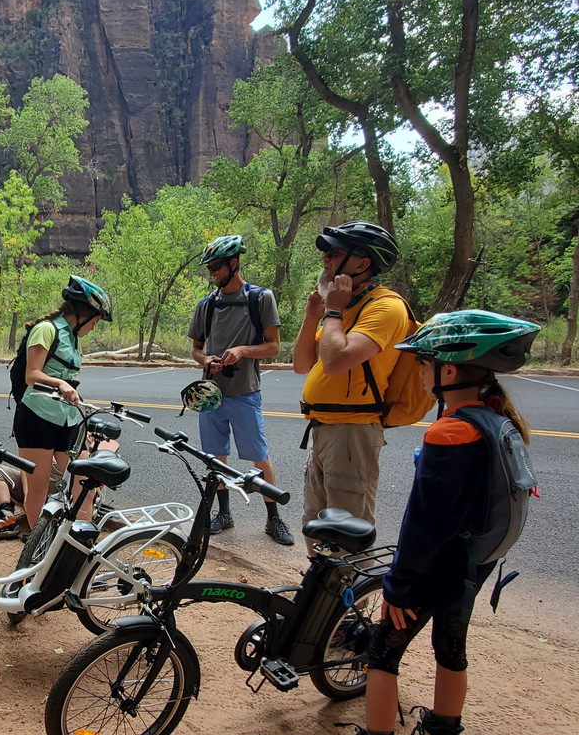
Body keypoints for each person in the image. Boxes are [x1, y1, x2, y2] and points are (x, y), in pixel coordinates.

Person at [355, 310, 541, 735]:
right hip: (474, 563)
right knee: (450, 647)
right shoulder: (496, 420)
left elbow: (425, 525)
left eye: (424, 363)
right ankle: (443, 728)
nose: (420, 373)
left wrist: (399, 585)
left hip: (440, 565)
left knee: (383, 651)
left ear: (450, 369)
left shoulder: (450, 432)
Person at [292, 221, 406, 549]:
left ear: (363, 263)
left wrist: (332, 310)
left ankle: (350, 600)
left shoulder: (385, 306)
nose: (326, 258)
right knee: (316, 523)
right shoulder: (343, 309)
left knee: (345, 532)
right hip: (324, 430)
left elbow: (336, 360)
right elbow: (302, 364)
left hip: (352, 432)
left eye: (336, 252)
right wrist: (314, 315)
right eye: (326, 252)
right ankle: (320, 599)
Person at [187, 235, 293, 546]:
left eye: (217, 266)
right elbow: (195, 349)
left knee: (259, 456)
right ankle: (224, 514)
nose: (213, 272)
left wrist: (243, 351)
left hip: (245, 393)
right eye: (210, 267)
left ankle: (274, 519)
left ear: (234, 264)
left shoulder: (260, 299)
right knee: (216, 458)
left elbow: (273, 346)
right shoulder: (206, 306)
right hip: (211, 396)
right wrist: (206, 358)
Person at [1, 275, 112, 537]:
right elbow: (32, 374)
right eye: (95, 321)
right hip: (36, 416)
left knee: (84, 480)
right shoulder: (47, 329)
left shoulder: (73, 339)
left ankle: (79, 539)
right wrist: (59, 384)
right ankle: (37, 544)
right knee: (38, 487)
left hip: (68, 419)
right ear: (84, 313)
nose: (94, 327)